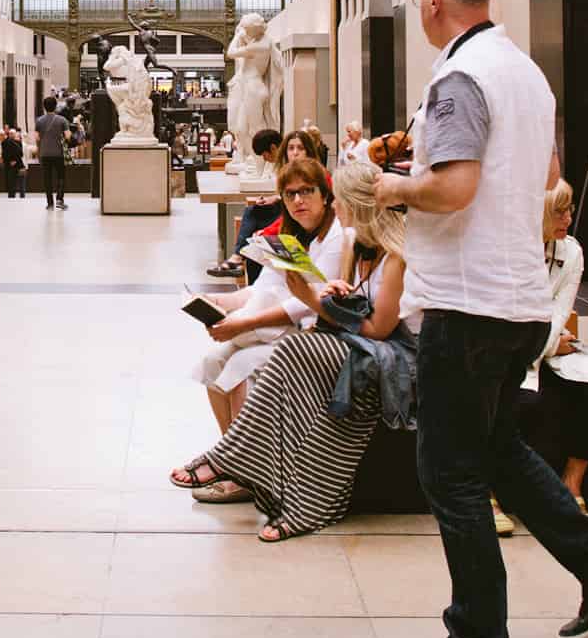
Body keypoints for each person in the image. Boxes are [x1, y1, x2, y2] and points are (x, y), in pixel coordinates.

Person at [376, 0, 588, 638]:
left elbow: (457, 186)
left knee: (450, 471)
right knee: (498, 453)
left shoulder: (460, 76)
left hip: (469, 305)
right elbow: (538, 175)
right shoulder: (525, 73)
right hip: (518, 300)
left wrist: (385, 186)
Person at [179, 159, 415, 540]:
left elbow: (379, 330)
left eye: (337, 199)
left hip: (393, 353)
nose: (336, 209)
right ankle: (252, 467)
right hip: (355, 343)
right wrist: (336, 296)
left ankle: (238, 461)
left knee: (290, 353)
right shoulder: (355, 245)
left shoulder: (394, 255)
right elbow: (352, 308)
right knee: (288, 361)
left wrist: (313, 298)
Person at [178, 156, 348, 434]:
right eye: (290, 194)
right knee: (212, 363)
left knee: (240, 366)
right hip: (280, 325)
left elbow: (308, 302)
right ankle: (231, 457)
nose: (298, 200)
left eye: (307, 191)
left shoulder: (334, 238)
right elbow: (263, 286)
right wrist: (220, 303)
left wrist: (245, 323)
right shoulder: (292, 233)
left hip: (315, 331)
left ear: (325, 195)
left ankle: (243, 465)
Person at [514, 180, 588, 512]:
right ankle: (494, 491)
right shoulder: (509, 252)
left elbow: (558, 314)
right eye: (558, 212)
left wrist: (543, 344)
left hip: (545, 342)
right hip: (512, 349)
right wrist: (547, 345)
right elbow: (508, 321)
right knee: (519, 401)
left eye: (569, 210)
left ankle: (571, 482)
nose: (567, 219)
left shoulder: (571, 252)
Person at [206, 129, 312, 281]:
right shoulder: (289, 170)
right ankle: (242, 267)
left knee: (256, 242)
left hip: (297, 225)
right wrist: (275, 199)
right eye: (291, 148)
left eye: (300, 148)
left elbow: (297, 211)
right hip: (289, 217)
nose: (295, 153)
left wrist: (266, 233)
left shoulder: (311, 175)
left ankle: (238, 259)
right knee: (253, 219)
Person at [35, 96, 69, 209]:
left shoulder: (39, 121)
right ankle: (59, 200)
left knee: (47, 178)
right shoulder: (62, 120)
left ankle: (50, 203)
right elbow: (68, 136)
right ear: (55, 106)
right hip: (58, 153)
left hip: (45, 153)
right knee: (61, 177)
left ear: (44, 107)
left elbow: (37, 138)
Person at [0, 125, 26, 198]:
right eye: (10, 134)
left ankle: (21, 196)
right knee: (11, 183)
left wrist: (14, 160)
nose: (11, 135)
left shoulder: (18, 142)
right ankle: (12, 196)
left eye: (13, 134)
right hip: (11, 165)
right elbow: (5, 153)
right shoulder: (6, 142)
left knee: (20, 183)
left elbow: (20, 154)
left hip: (17, 165)